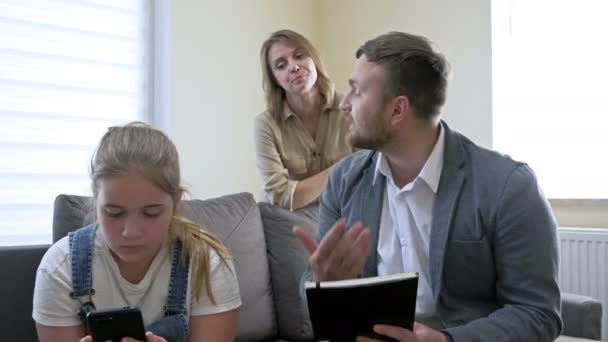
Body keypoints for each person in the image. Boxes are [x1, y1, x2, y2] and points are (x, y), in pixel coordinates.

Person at [293, 32, 562, 341]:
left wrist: (444, 341)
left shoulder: (509, 186)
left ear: (397, 110)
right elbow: (311, 293)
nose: (344, 103)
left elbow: (538, 313)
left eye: (357, 91)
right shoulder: (344, 181)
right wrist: (324, 283)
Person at [33, 122, 241, 342]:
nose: (130, 233)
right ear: (96, 203)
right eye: (114, 213)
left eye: (151, 213)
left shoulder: (208, 265)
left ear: (175, 202)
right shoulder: (59, 268)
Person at [255, 29, 354, 210]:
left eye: (299, 56)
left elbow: (369, 177)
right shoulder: (266, 124)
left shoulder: (351, 108)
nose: (293, 67)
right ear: (274, 79)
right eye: (281, 65)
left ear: (313, 60)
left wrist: (301, 191)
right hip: (290, 222)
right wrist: (346, 167)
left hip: (347, 212)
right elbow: (281, 197)